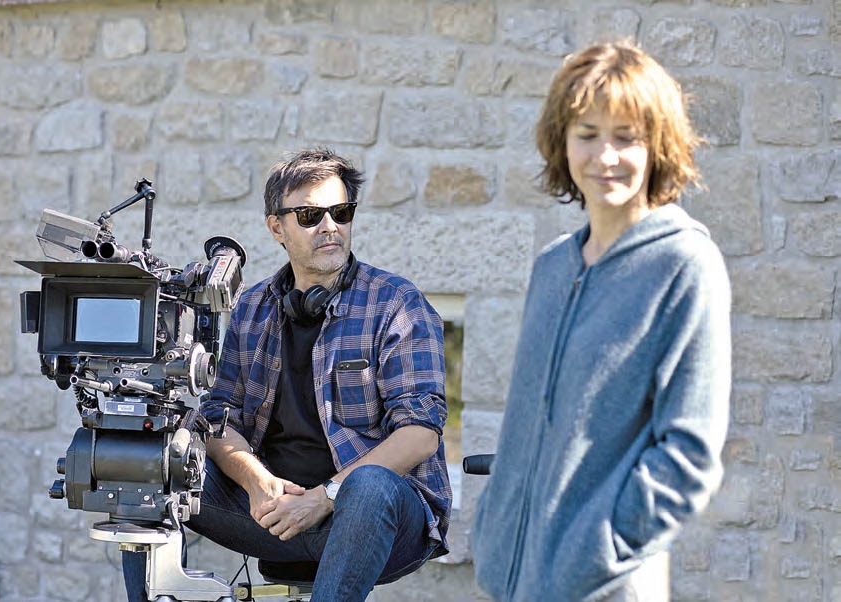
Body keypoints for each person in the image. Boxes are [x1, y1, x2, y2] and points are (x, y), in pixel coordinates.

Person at [123, 148, 451, 601]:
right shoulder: (251, 308)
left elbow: (421, 434)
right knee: (147, 461)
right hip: (274, 513)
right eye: (311, 215)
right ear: (277, 227)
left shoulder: (396, 303)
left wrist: (325, 496)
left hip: (376, 519)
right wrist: (257, 483)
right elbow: (218, 419)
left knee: (369, 485)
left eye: (341, 212)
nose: (330, 226)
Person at [471, 41, 731, 601]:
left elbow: (690, 455)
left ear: (657, 145)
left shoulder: (684, 265)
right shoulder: (552, 268)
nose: (605, 156)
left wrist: (596, 549)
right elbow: (524, 425)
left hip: (606, 586)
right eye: (587, 134)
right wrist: (494, 529)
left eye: (626, 137)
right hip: (514, 582)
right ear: (562, 141)